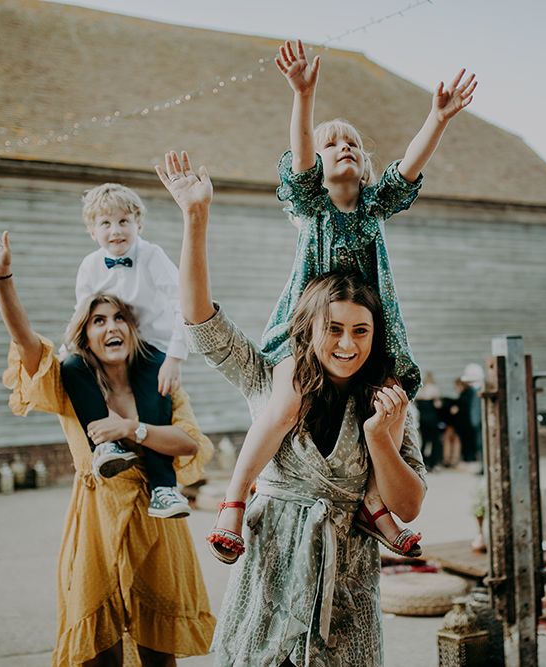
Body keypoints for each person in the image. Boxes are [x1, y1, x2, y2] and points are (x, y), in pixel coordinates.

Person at [207, 39, 476, 563]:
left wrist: (438, 118)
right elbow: (303, 162)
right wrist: (303, 95)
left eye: (353, 143)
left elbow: (409, 169)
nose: (345, 148)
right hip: (309, 332)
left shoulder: (375, 206)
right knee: (287, 402)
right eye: (333, 145)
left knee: (383, 410)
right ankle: (235, 501)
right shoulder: (312, 206)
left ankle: (378, 507)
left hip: (370, 336)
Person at [156, 150, 426, 666]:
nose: (347, 344)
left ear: (377, 334)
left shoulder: (385, 401)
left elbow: (409, 507)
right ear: (309, 329)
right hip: (264, 604)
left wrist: (379, 439)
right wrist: (195, 217)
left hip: (344, 616)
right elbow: (201, 321)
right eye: (334, 329)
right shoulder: (269, 380)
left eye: (361, 331)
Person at [0, 217, 215, 667]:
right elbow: (26, 344)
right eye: (99, 320)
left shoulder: (161, 382)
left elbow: (188, 443)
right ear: (86, 333)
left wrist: (130, 429)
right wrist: (2, 278)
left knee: (160, 655)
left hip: (158, 525)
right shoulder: (71, 386)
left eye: (120, 317)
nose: (110, 326)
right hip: (95, 522)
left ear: (134, 328)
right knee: (100, 654)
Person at [64, 182, 191, 519]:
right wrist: (73, 351)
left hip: (151, 347)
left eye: (124, 221)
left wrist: (175, 358)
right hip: (108, 344)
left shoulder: (152, 256)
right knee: (72, 367)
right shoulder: (90, 266)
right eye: (105, 223)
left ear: (139, 224)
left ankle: (164, 488)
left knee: (153, 396)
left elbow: (184, 303)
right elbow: (83, 313)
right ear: (92, 231)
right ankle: (105, 444)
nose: (116, 230)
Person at [416, 371, 443, 470]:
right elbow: (438, 405)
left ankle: (423, 463)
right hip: (432, 419)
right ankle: (433, 463)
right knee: (435, 441)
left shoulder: (420, 390)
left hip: (423, 419)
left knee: (424, 441)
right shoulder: (434, 389)